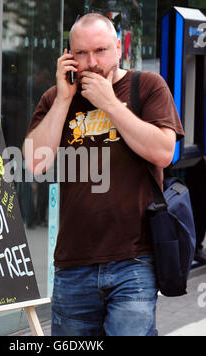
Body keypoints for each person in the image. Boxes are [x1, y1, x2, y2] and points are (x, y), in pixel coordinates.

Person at [23, 13, 184, 336]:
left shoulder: (147, 86)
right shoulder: (56, 98)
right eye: (80, 53)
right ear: (68, 57)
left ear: (119, 49)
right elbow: (34, 163)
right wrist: (64, 100)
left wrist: (111, 105)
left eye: (100, 51)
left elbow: (164, 152)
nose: (92, 62)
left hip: (134, 261)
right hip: (73, 263)